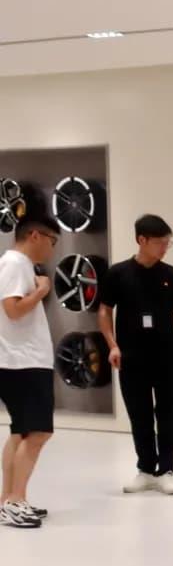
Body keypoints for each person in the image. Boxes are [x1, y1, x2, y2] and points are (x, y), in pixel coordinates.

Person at [99, 215, 173, 495]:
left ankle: (166, 470)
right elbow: (105, 311)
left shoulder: (172, 275)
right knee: (139, 414)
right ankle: (145, 469)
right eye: (160, 242)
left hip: (167, 355)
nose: (165, 248)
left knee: (169, 413)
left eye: (168, 243)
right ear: (141, 240)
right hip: (131, 356)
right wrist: (112, 345)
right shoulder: (118, 274)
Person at [0, 216, 58, 529]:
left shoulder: (15, 263)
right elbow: (12, 309)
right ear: (35, 235)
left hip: (19, 360)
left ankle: (8, 500)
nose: (52, 248)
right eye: (52, 240)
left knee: (21, 431)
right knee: (38, 432)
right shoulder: (15, 264)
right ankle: (15, 500)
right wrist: (42, 290)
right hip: (24, 362)